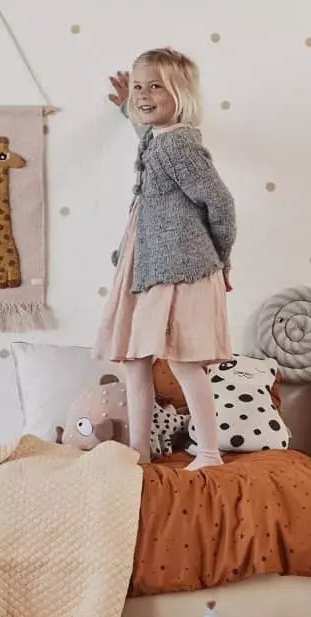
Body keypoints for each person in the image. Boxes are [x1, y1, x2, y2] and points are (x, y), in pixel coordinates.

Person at [93, 47, 236, 471]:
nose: (143, 94)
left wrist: (220, 259)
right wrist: (127, 104)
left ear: (181, 94)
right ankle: (139, 452)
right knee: (135, 359)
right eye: (139, 86)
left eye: (155, 87)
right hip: (148, 264)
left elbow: (221, 203)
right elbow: (145, 130)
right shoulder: (158, 138)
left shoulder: (178, 145)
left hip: (180, 268)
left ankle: (208, 452)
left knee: (183, 359)